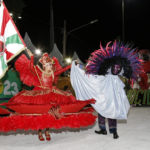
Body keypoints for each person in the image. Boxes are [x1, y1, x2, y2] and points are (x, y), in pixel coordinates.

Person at [1, 49, 95, 141]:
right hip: (40, 95)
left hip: (51, 94)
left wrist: (72, 64)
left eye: (51, 64)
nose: (51, 66)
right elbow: (31, 67)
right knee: (40, 114)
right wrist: (32, 57)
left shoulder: (53, 73)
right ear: (44, 66)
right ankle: (40, 132)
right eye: (49, 65)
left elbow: (62, 70)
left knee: (50, 114)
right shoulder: (39, 73)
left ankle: (47, 131)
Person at [71, 41, 144, 139]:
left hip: (112, 95)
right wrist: (77, 66)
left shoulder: (112, 75)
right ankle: (104, 129)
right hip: (104, 94)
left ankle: (113, 131)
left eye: (118, 68)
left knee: (111, 110)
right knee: (102, 109)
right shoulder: (103, 73)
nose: (116, 70)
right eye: (115, 67)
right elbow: (89, 75)